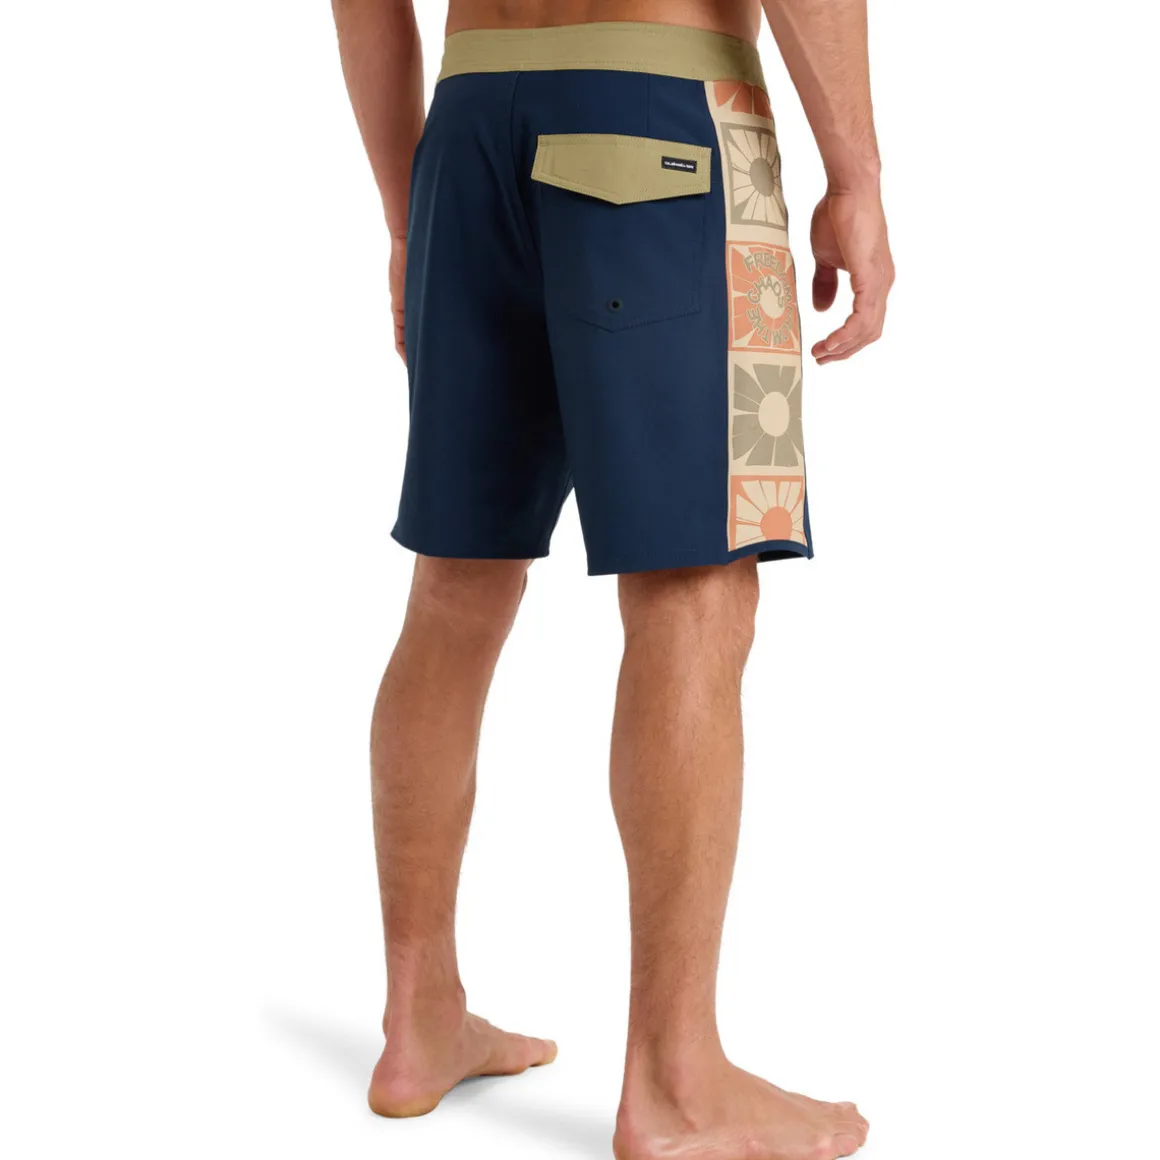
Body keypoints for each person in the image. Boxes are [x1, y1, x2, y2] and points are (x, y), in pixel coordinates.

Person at [330, 1, 893, 1157]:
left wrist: (407, 210)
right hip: (666, 112)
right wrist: (857, 173)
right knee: (696, 586)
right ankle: (675, 1081)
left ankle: (417, 1017)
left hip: (465, 132)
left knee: (455, 583)